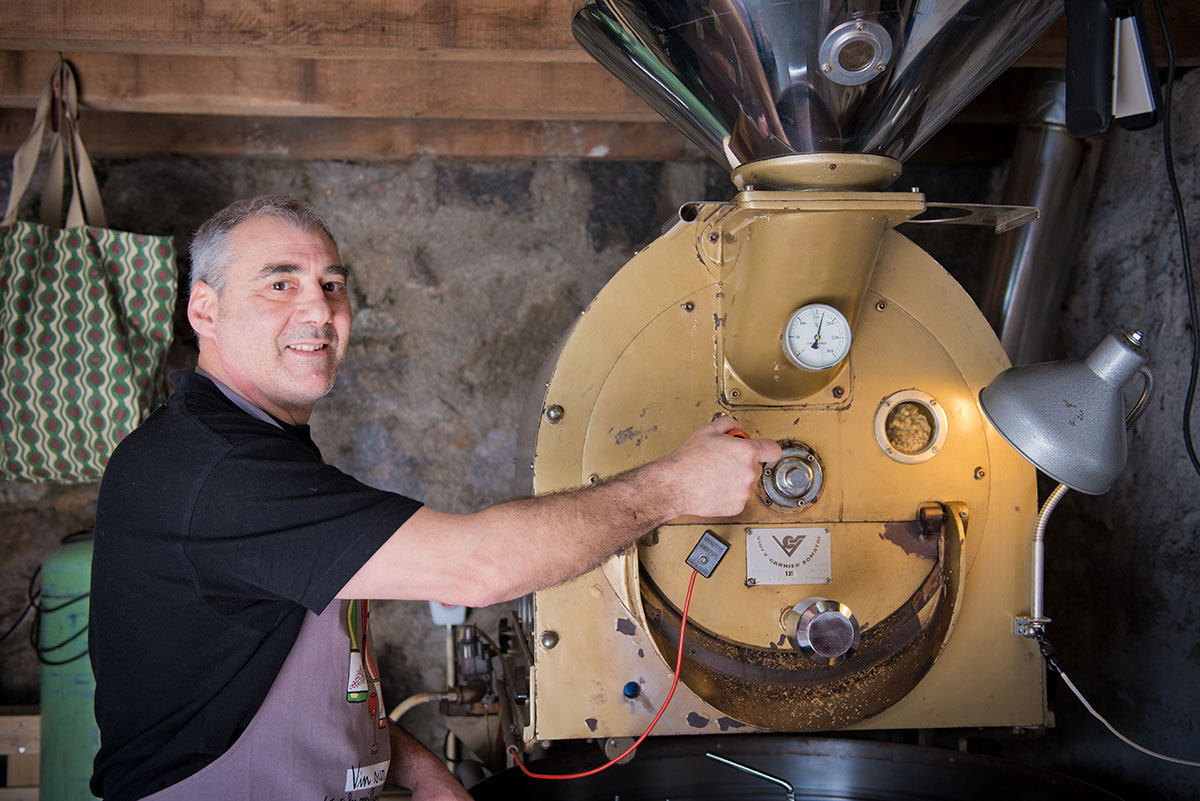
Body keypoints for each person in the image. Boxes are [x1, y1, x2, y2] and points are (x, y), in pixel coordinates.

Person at [88, 195, 781, 801]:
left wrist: (415, 771)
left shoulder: (252, 447)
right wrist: (676, 485)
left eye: (332, 284)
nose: (319, 309)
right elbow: (474, 568)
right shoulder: (217, 470)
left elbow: (264, 681)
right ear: (204, 308)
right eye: (280, 283)